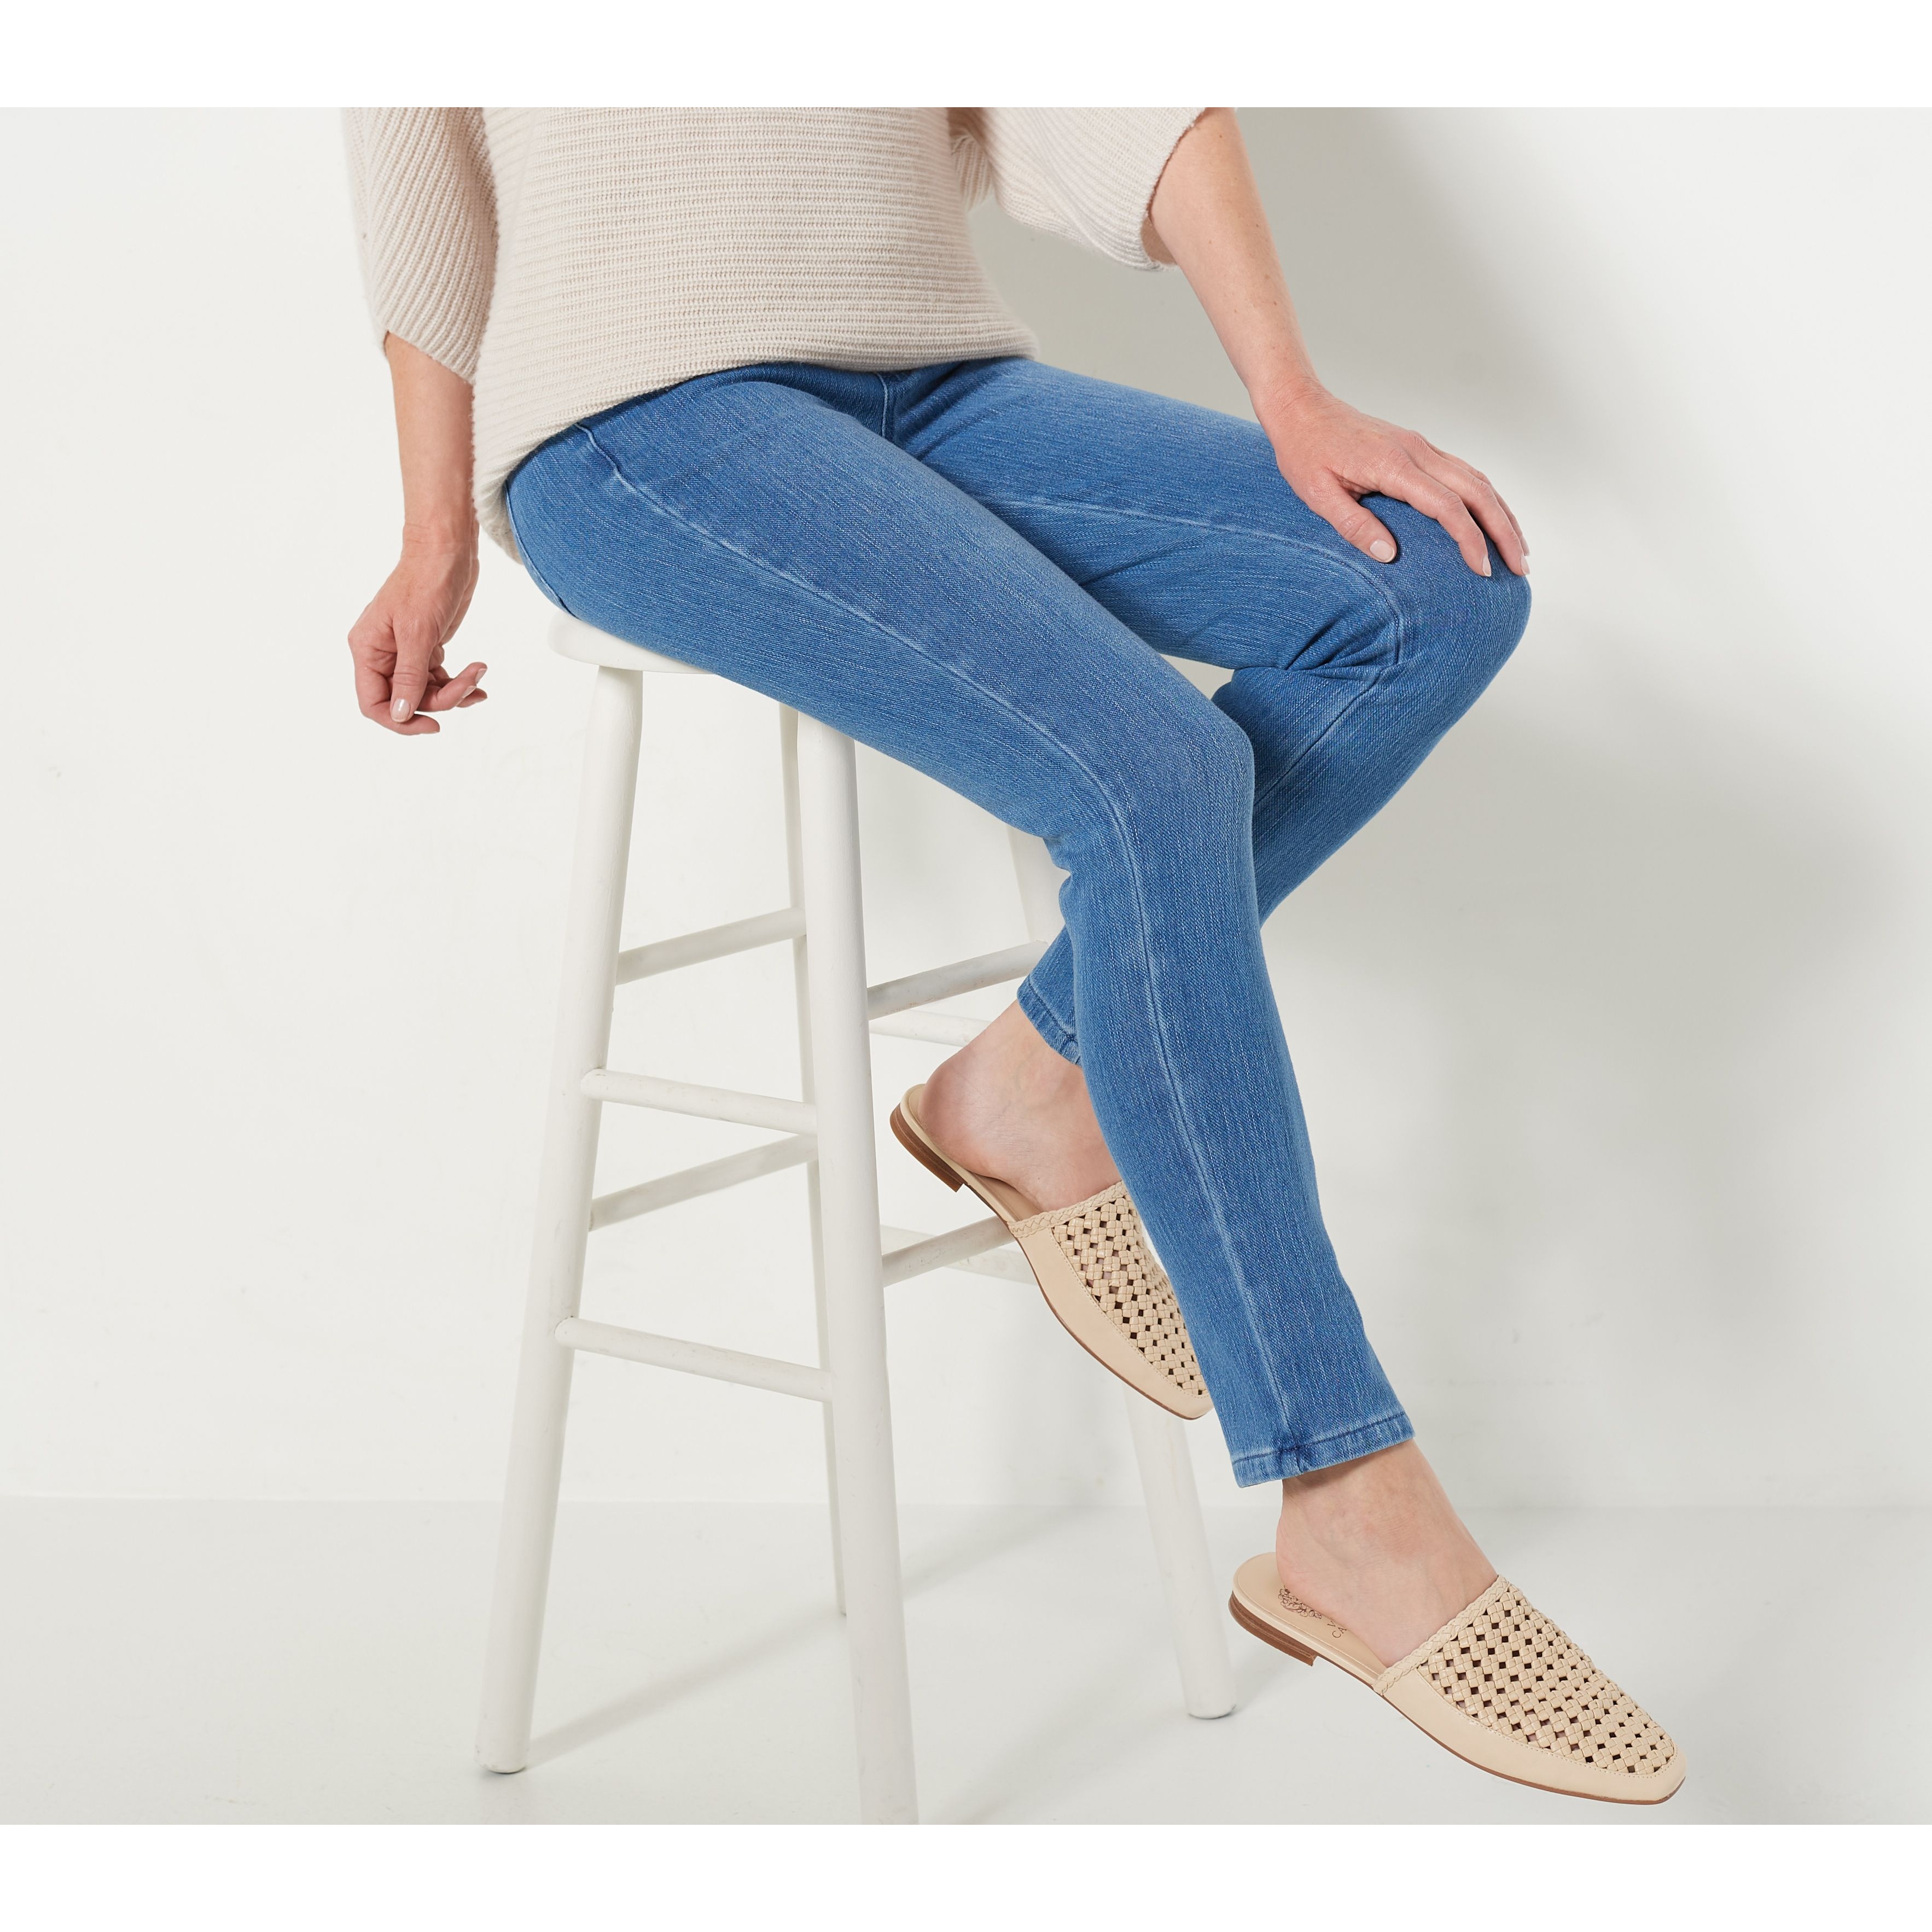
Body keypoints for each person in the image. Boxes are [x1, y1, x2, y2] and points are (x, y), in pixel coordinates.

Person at [345, 107, 1682, 1803]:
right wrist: (435, 533)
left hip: (934, 386)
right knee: (1155, 770)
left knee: (1430, 591)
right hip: (642, 427)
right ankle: (1344, 1490)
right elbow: (419, 203)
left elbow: (1116, 90)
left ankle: (1033, 1075)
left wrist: (1290, 393)